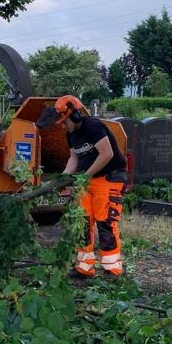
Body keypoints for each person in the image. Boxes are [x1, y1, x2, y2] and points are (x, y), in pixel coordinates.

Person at [36, 96, 127, 279]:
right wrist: (63, 178)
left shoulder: (92, 126)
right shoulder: (71, 134)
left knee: (105, 222)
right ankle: (84, 268)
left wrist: (85, 176)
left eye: (65, 122)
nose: (63, 126)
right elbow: (74, 158)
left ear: (76, 115)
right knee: (83, 222)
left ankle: (112, 269)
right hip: (88, 179)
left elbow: (107, 154)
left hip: (108, 177)